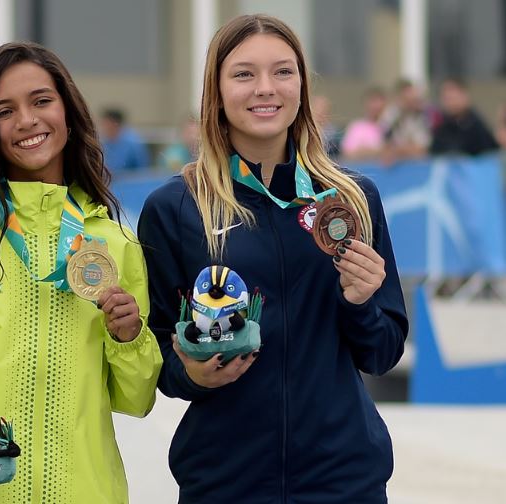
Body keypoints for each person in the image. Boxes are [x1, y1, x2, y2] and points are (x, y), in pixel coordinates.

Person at [138, 14, 408, 503]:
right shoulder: (176, 207)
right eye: (244, 74)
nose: (266, 88)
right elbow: (157, 351)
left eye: (283, 71)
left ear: (302, 85)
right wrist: (192, 374)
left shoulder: (350, 198)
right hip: (225, 481)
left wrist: (360, 302)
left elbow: (382, 352)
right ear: (216, 91)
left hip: (343, 479)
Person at [0, 42, 162, 504]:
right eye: (5, 111)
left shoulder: (114, 244)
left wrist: (128, 339)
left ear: (68, 113)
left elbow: (136, 399)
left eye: (41, 101)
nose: (27, 120)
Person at [430, 78, 499, 156]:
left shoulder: (477, 126)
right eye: (447, 98)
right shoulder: (442, 128)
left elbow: (488, 153)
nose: (451, 103)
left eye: (454, 98)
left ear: (465, 96)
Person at [341, 87, 388, 161]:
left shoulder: (388, 126)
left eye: (379, 101)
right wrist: (378, 151)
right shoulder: (356, 127)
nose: (376, 105)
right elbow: (348, 153)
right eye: (373, 101)